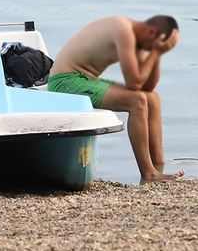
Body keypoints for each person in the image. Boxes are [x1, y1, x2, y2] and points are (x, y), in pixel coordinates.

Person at [48, 16, 183, 183]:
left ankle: (158, 166)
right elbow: (134, 83)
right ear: (152, 32)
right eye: (156, 45)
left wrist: (158, 54)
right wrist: (156, 52)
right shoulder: (123, 30)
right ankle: (148, 173)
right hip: (65, 81)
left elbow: (147, 87)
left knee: (152, 99)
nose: (150, 50)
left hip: (86, 80)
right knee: (137, 101)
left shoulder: (139, 40)